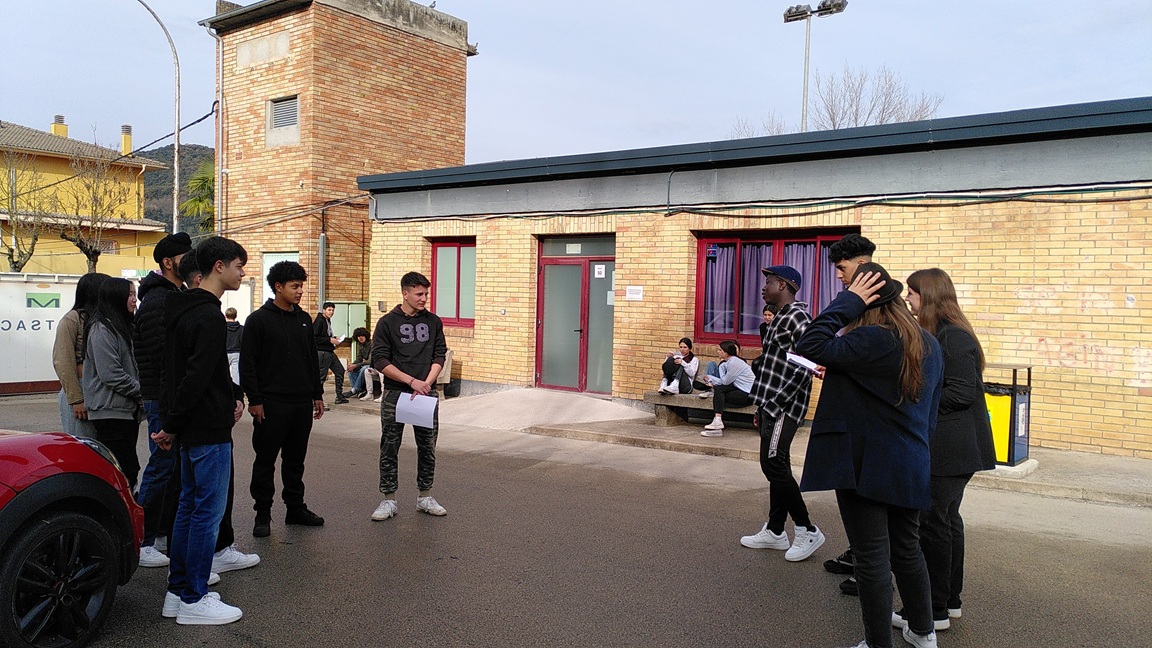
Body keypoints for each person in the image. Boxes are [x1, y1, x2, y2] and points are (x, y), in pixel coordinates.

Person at [795, 262, 944, 648]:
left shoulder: (872, 338)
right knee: (907, 549)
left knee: (872, 558)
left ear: (866, 304)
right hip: (911, 461)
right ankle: (923, 632)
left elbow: (808, 343)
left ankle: (878, 644)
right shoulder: (928, 343)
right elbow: (924, 410)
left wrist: (847, 301)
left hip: (867, 466)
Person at [891, 268, 997, 632]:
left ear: (929, 296)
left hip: (952, 448)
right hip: (952, 447)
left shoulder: (954, 337)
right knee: (946, 521)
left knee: (933, 524)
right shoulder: (942, 333)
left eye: (912, 293)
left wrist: (918, 403)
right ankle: (949, 601)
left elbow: (963, 392)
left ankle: (932, 609)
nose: (907, 299)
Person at [158, 236, 248, 625]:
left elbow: (185, 372)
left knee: (188, 508)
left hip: (191, 428)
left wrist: (173, 424)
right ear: (218, 267)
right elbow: (196, 377)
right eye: (238, 266)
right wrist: (173, 424)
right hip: (207, 429)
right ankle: (194, 598)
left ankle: (178, 592)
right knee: (206, 514)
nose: (242, 273)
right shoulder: (209, 316)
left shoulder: (182, 309)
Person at [740, 265, 824, 562]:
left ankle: (807, 529)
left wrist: (775, 404)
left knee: (773, 464)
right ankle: (776, 530)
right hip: (770, 404)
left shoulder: (797, 317)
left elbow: (807, 366)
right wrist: (761, 406)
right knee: (776, 465)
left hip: (785, 406)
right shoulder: (780, 318)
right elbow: (775, 364)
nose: (763, 287)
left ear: (784, 286)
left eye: (769, 282)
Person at [241, 261, 326, 538]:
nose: (300, 291)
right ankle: (262, 513)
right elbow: (248, 363)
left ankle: (295, 508)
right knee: (265, 460)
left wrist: (316, 394)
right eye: (295, 286)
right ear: (278, 287)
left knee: (295, 460)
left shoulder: (304, 319)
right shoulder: (258, 320)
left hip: (301, 403)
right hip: (271, 403)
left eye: (301, 286)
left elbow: (311, 359)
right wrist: (254, 399)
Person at [132, 231, 193, 569]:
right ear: (168, 263)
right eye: (185, 257)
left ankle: (158, 534)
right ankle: (140, 540)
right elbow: (163, 357)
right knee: (161, 466)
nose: (191, 261)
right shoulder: (158, 300)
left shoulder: (173, 295)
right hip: (160, 396)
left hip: (167, 394)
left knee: (172, 469)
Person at [369, 271, 449, 521]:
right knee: (389, 446)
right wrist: (410, 381)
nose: (424, 298)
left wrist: (426, 383)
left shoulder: (433, 321)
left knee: (427, 447)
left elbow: (439, 355)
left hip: (426, 393)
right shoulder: (387, 323)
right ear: (405, 293)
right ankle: (388, 499)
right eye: (419, 294)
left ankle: (425, 496)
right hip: (396, 393)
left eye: (426, 293)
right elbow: (379, 360)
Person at [823, 232, 876, 594]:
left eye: (842, 268)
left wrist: (846, 302)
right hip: (861, 428)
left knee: (879, 526)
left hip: (871, 433)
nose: (839, 276)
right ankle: (861, 557)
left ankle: (868, 569)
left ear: (862, 264)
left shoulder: (870, 307)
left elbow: (812, 341)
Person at [81, 277, 142, 488]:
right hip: (110, 412)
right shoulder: (102, 329)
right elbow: (111, 374)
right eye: (130, 294)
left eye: (135, 294)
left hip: (126, 411)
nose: (134, 300)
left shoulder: (121, 327)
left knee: (128, 469)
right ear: (116, 297)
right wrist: (142, 391)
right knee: (121, 471)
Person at [51, 272, 109, 439]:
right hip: (81, 388)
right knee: (83, 443)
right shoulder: (72, 319)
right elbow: (63, 360)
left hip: (103, 391)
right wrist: (76, 399)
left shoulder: (105, 319)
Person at [699, 340, 754, 437]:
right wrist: (711, 378)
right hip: (740, 389)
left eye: (720, 350)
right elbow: (724, 382)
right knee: (719, 394)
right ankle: (717, 426)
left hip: (749, 394)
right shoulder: (730, 362)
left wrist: (720, 368)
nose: (718, 352)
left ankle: (717, 423)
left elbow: (725, 382)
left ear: (726, 352)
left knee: (719, 394)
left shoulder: (734, 362)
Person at [314, 301, 348, 404]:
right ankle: (316, 401)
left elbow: (325, 335)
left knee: (340, 370)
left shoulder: (327, 320)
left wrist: (334, 338)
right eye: (329, 310)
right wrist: (329, 340)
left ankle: (339, 396)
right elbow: (315, 338)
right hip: (322, 352)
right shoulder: (319, 321)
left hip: (329, 351)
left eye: (333, 310)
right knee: (321, 377)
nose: (331, 312)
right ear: (324, 310)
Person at [346, 327, 372, 398]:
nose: (360, 338)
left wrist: (356, 365)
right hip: (366, 364)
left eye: (362, 336)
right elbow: (359, 358)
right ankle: (359, 390)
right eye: (358, 336)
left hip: (374, 365)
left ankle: (354, 390)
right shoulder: (359, 345)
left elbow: (370, 361)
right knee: (351, 371)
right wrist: (352, 365)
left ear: (366, 336)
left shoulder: (372, 344)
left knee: (364, 368)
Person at [225, 308, 243, 385]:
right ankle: (237, 389)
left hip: (225, 353)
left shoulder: (222, 328)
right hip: (237, 352)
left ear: (225, 316)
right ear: (236, 316)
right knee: (236, 374)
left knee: (224, 373)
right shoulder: (241, 328)